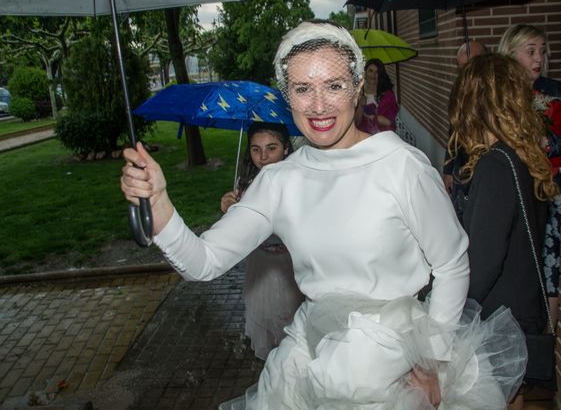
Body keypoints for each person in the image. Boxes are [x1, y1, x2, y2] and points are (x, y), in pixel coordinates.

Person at [121, 21, 525, 409]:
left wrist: (433, 363)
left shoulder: (400, 165)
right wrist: (161, 209)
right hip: (311, 364)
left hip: (399, 372)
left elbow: (452, 265)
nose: (318, 105)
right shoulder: (278, 181)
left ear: (357, 88)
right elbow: (204, 263)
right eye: (302, 89)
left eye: (333, 86)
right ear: (287, 96)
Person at [448, 54, 559, 410]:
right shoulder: (524, 156)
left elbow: (482, 263)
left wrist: (446, 315)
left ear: (473, 103)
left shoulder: (495, 164)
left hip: (498, 318)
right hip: (521, 308)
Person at [219, 122, 304, 360]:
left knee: (292, 320)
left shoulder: (298, 180)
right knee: (265, 314)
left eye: (271, 148)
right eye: (256, 149)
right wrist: (230, 211)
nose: (263, 157)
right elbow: (239, 233)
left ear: (286, 149)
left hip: (291, 264)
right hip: (260, 263)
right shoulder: (245, 184)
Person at [498, 24, 561, 327]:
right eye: (531, 51)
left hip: (549, 192)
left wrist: (550, 144)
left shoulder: (554, 92)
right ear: (511, 54)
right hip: (516, 191)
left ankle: (547, 336)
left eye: (542, 51)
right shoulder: (501, 97)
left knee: (549, 261)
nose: (539, 58)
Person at [443, 40, 488, 221]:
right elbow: (453, 132)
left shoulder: (497, 94)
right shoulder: (460, 93)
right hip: (462, 170)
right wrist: (447, 169)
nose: (466, 72)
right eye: (462, 68)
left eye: (471, 65)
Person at [355, 58, 399, 134]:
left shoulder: (387, 95)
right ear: (365, 72)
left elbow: (389, 122)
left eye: (377, 72)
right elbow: (356, 123)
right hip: (364, 139)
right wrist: (361, 106)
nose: (373, 75)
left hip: (384, 138)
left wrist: (369, 116)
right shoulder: (358, 93)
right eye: (370, 71)